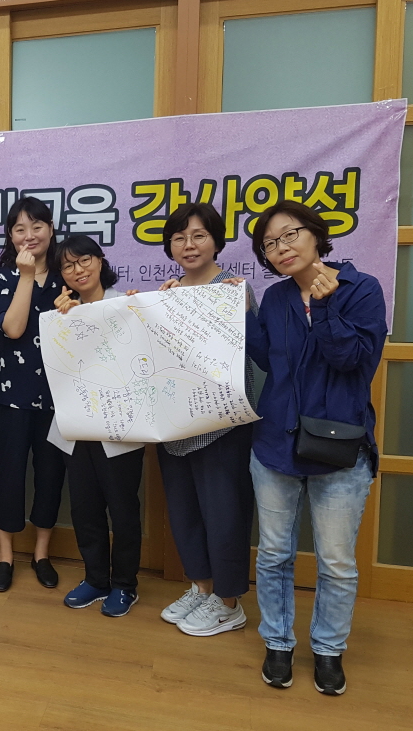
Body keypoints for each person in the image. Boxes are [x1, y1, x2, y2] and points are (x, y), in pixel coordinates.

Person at [246, 200, 386, 696]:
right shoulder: (277, 297)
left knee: (336, 561)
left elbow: (354, 362)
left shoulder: (361, 288)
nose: (281, 248)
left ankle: (328, 649)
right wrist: (232, 312)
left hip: (339, 450)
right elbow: (267, 359)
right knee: (273, 554)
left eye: (290, 235)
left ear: (315, 234)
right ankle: (278, 642)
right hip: (276, 445)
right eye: (270, 243)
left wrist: (325, 308)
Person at [153, 203, 258, 637]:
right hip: (174, 422)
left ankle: (229, 602)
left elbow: (256, 352)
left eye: (198, 235)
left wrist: (241, 309)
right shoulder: (167, 295)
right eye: (179, 237)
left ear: (216, 241)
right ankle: (202, 587)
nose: (189, 244)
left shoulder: (234, 290)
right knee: (184, 511)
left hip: (222, 424)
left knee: (224, 512)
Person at [51, 235, 145, 617]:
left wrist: (137, 315)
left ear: (100, 260)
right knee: (84, 508)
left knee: (122, 509)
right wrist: (63, 323)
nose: (78, 270)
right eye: (68, 265)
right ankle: (95, 578)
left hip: (119, 426)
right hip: (77, 425)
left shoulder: (126, 304)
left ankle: (124, 584)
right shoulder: (61, 313)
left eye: (84, 260)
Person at [0, 196, 67, 592]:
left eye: (37, 226)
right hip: (11, 396)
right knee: (10, 476)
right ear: (10, 235)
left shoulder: (68, 276)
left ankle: (41, 553)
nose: (29, 235)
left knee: (50, 476)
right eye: (20, 228)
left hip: (60, 398)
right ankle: (5, 556)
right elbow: (13, 328)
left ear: (51, 229)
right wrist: (26, 276)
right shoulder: (0, 277)